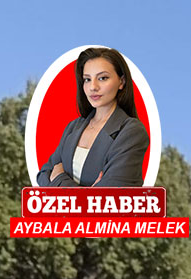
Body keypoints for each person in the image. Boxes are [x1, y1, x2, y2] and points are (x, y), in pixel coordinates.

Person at [36, 47, 149, 187]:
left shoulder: (132, 132)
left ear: (122, 82)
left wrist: (59, 179)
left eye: (102, 78)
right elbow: (44, 174)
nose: (93, 87)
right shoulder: (74, 126)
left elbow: (108, 199)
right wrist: (89, 193)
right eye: (87, 79)